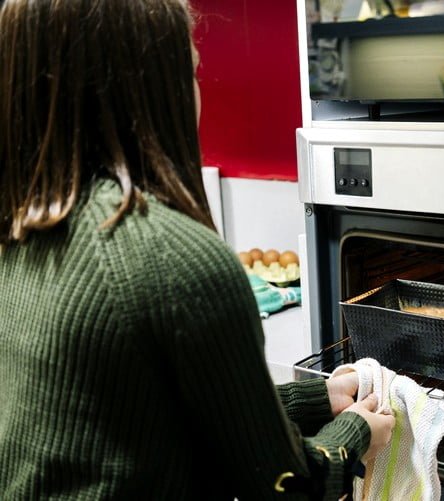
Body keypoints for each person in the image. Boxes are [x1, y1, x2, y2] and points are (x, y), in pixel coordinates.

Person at [0, 0, 395, 499]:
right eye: (189, 70)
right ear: (152, 91)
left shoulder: (19, 228)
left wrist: (317, 396)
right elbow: (285, 486)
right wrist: (357, 433)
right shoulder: (174, 259)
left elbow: (148, 410)